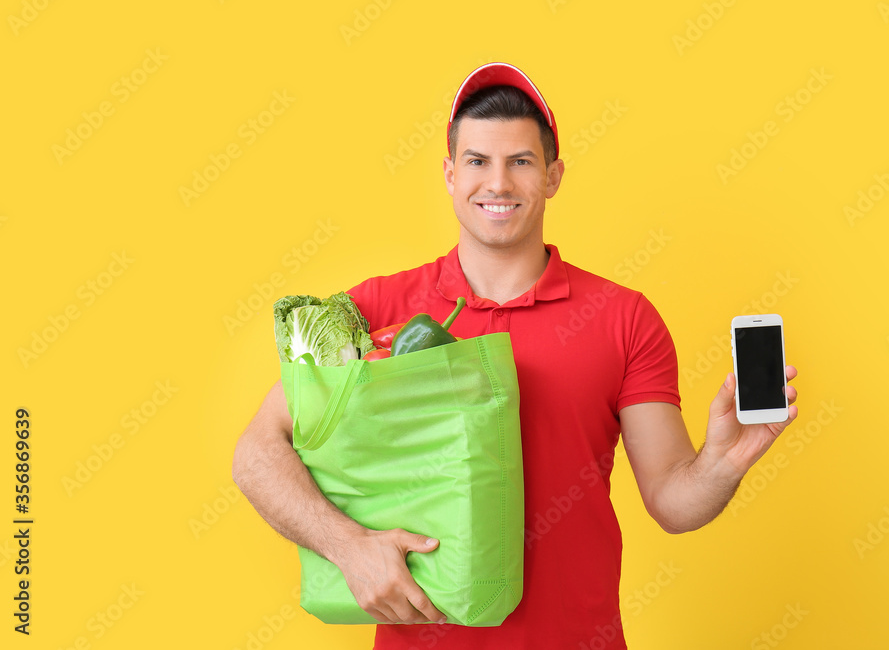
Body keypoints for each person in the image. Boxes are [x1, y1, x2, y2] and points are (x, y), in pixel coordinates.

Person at [232, 62, 799, 649]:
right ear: (450, 174)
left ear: (552, 176)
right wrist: (347, 546)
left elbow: (674, 503)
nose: (497, 183)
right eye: (477, 161)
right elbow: (255, 454)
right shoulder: (373, 310)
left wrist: (723, 461)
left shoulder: (624, 318)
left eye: (520, 162)